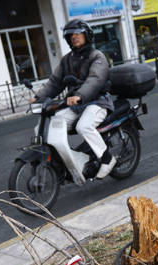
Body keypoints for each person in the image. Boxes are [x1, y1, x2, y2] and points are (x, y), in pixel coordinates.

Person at [31, 19, 116, 179]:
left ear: (86, 35)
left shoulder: (97, 56)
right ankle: (72, 160)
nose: (74, 37)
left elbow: (95, 79)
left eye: (78, 34)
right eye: (71, 35)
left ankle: (107, 158)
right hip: (76, 105)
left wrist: (79, 95)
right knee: (54, 123)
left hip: (97, 102)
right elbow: (55, 82)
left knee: (84, 126)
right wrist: (38, 98)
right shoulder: (67, 59)